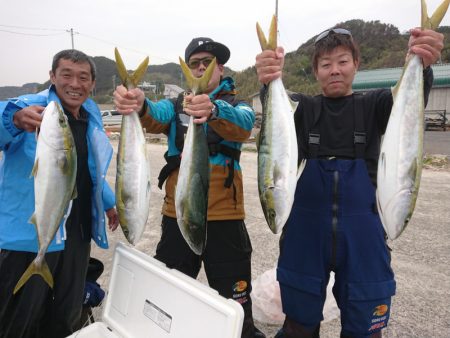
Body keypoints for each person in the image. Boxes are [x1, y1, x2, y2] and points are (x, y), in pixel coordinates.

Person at [255, 27, 444, 338]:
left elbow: (409, 103)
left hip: (364, 235)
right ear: (315, 71)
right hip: (305, 234)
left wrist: (420, 65)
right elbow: (276, 115)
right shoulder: (302, 109)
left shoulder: (377, 105)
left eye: (342, 61)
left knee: (365, 328)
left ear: (357, 63)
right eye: (326, 64)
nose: (335, 70)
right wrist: (268, 81)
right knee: (298, 324)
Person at [113, 37, 265, 338]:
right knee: (167, 292)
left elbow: (245, 124)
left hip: (225, 218)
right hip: (178, 214)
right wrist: (139, 102)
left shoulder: (237, 105)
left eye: (206, 62)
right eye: (194, 64)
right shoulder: (174, 106)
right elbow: (154, 116)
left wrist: (215, 110)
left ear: (220, 68)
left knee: (235, 300)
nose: (200, 68)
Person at [0, 49, 119, 338]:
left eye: (83, 77)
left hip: (76, 235)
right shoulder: (31, 107)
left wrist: (108, 202)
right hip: (29, 239)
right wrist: (13, 120)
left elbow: (87, 170)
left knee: (64, 316)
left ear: (92, 84)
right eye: (66, 75)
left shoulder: (91, 115)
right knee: (18, 320)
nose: (75, 84)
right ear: (52, 76)